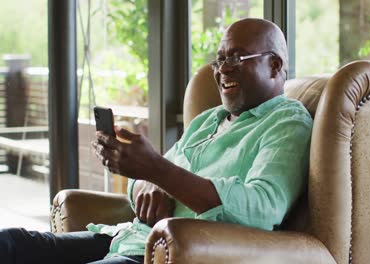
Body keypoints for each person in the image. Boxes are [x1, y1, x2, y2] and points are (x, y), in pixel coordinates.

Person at [0, 18, 312, 264]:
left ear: (275, 65)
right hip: (128, 237)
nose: (224, 69)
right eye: (220, 59)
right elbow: (148, 186)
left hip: (176, 254)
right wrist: (144, 180)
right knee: (10, 243)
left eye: (238, 56)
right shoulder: (208, 120)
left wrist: (157, 171)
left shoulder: (286, 122)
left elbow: (263, 208)